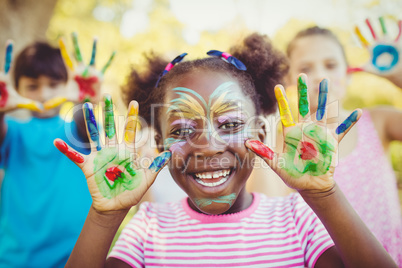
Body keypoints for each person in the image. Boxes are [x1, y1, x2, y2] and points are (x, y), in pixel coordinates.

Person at [55, 33, 397, 267]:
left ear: (261, 133)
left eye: (230, 125)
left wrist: (325, 195)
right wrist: (104, 216)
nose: (207, 145)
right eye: (182, 130)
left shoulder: (297, 219)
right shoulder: (148, 228)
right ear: (160, 145)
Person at [284, 23, 402, 266]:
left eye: (330, 65)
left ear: (348, 75)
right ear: (288, 81)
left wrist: (399, 77)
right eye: (305, 68)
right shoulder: (284, 145)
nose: (319, 75)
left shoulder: (377, 121)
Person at [0, 37, 112, 267]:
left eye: (53, 84)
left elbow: (86, 124)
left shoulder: (75, 131)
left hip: (74, 257)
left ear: (68, 84)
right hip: (16, 258)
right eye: (32, 86)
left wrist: (85, 100)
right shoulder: (13, 131)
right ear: (17, 88)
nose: (44, 94)